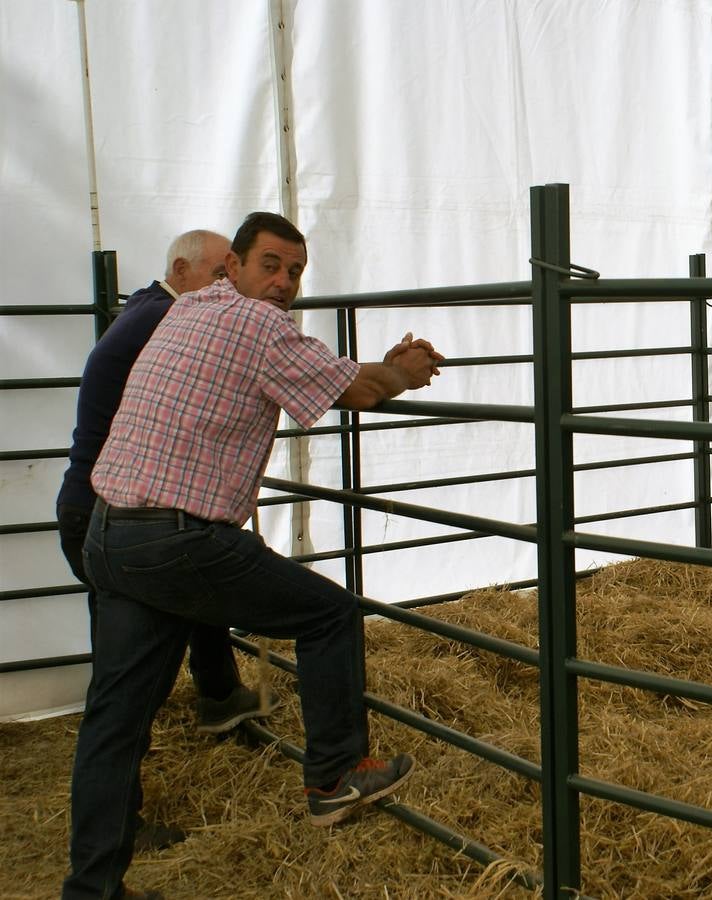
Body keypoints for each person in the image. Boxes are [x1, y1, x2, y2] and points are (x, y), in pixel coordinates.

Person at [63, 212, 442, 900]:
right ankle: (333, 776)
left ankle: (91, 889)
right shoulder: (257, 325)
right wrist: (403, 370)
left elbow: (320, 374)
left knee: (114, 721)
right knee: (330, 614)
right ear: (231, 267)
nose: (283, 283)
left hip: (110, 534)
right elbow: (353, 390)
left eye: (295, 271)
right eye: (270, 264)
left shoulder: (187, 310)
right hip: (177, 537)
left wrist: (376, 368)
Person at [55, 230, 268, 855]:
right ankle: (116, 830)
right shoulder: (168, 316)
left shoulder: (149, 311)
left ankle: (218, 694)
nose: (227, 287)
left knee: (179, 599)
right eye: (220, 273)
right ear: (182, 269)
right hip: (118, 511)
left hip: (110, 506)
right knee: (126, 693)